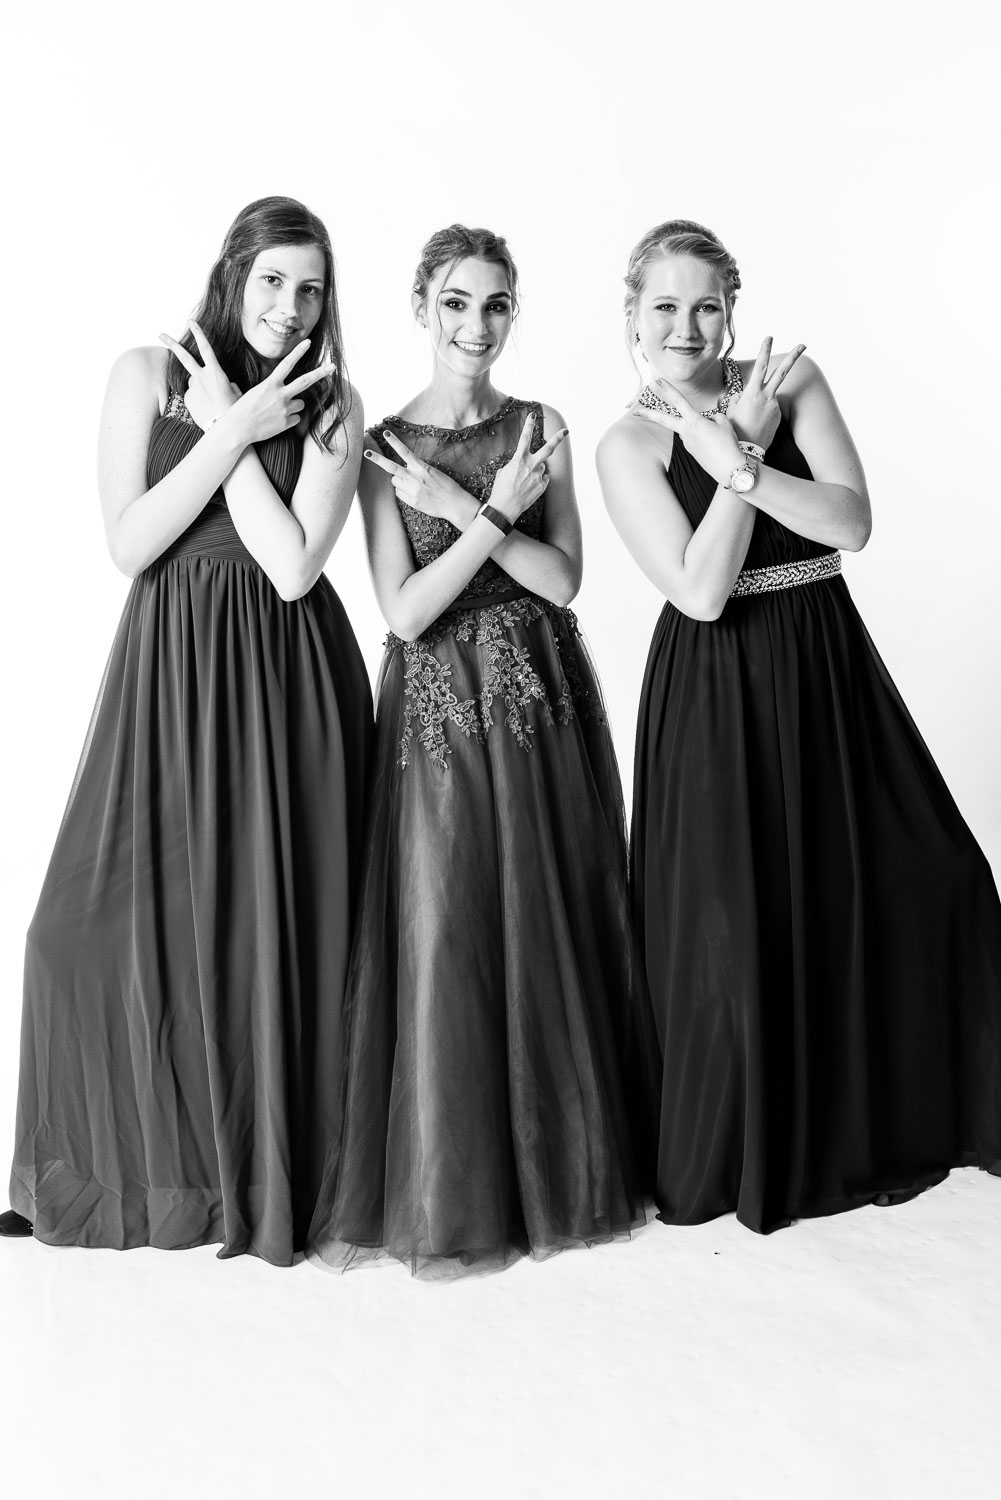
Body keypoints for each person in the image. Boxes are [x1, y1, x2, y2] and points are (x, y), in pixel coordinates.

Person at [596, 219, 1001, 1234]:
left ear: (731, 311)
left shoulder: (790, 383)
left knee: (935, 875)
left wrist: (736, 457)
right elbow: (698, 590)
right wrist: (734, 449)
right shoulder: (625, 444)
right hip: (714, 684)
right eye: (663, 306)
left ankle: (905, 1106)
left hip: (824, 661)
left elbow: (849, 524)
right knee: (730, 924)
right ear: (631, 318)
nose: (685, 326)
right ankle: (750, 1143)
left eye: (704, 306)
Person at [2, 197, 372, 1264]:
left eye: (310, 289)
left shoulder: (332, 403)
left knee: (264, 931)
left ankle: (256, 1180)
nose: (289, 306)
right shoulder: (144, 372)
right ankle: (106, 1169)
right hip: (168, 669)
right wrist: (232, 427)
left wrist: (242, 428)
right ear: (232, 273)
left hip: (285, 677)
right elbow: (131, 542)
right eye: (272, 280)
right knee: (74, 932)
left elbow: (292, 566)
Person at [306, 224, 660, 1279]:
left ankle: (566, 1169)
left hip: (542, 699)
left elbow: (563, 581)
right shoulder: (383, 448)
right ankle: (456, 1187)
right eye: (456, 302)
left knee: (552, 917)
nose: (476, 324)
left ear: (513, 312)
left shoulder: (540, 426)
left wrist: (472, 508)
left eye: (496, 303)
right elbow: (406, 611)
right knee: (446, 925)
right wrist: (493, 521)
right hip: (438, 712)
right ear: (421, 306)